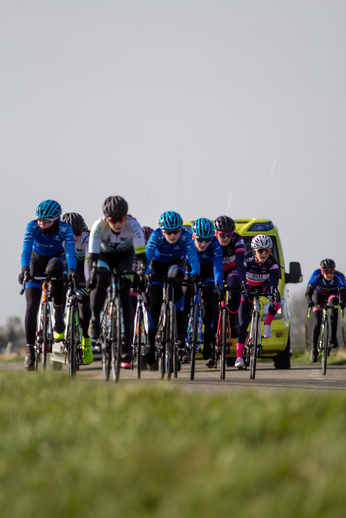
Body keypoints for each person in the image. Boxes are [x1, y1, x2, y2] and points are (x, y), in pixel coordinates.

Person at [19, 200, 77, 371]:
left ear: (56, 219)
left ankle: (58, 311)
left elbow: (70, 252)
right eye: (39, 219)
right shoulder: (33, 227)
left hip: (55, 259)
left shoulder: (65, 229)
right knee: (31, 306)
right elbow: (26, 249)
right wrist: (24, 269)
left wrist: (72, 269)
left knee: (55, 270)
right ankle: (30, 351)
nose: (41, 223)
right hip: (35, 261)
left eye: (45, 220)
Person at [87, 196, 146, 364]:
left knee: (126, 298)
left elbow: (141, 256)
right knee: (99, 283)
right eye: (113, 220)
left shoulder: (133, 226)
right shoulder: (99, 226)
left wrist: (141, 273)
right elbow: (92, 257)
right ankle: (95, 319)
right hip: (104, 257)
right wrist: (92, 275)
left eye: (121, 219)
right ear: (106, 218)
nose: (118, 224)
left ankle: (127, 347)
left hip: (125, 258)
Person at [145, 211, 200, 366]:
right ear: (162, 231)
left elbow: (192, 255)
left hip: (176, 264)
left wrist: (195, 272)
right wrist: (147, 272)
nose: (173, 235)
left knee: (178, 282)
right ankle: (150, 342)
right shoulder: (156, 235)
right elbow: (147, 254)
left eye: (176, 231)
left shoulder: (185, 236)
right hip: (156, 265)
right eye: (169, 232)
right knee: (154, 301)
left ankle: (180, 327)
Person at [235, 234, 281, 369]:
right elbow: (241, 273)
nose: (263, 254)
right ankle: (239, 357)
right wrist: (243, 284)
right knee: (243, 323)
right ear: (254, 250)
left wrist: (274, 293)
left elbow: (273, 283)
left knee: (276, 302)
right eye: (260, 250)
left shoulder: (272, 263)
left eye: (266, 251)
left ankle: (267, 325)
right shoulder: (247, 259)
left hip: (264, 285)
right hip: (248, 286)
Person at [184, 218, 223, 367]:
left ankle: (208, 346)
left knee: (209, 306)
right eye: (200, 240)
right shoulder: (186, 239)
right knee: (185, 294)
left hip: (207, 270)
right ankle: (182, 336)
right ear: (193, 236)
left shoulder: (215, 243)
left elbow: (218, 266)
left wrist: (218, 284)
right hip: (189, 267)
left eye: (206, 240)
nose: (203, 244)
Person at [61, 212, 93, 365]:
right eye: (70, 232)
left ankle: (87, 344)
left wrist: (88, 282)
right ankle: (58, 328)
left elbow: (89, 263)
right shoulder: (59, 240)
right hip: (65, 271)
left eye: (77, 232)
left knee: (83, 306)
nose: (74, 236)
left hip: (82, 273)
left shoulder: (87, 240)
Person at [305, 259, 346, 362]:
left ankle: (333, 337)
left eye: (331, 272)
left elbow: (343, 293)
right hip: (318, 295)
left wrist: (343, 302)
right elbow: (308, 293)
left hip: (332, 294)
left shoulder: (339, 277)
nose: (329, 275)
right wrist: (309, 301)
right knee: (317, 321)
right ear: (321, 271)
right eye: (326, 272)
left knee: (334, 305)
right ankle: (314, 348)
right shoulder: (316, 275)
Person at [214, 215, 246, 337]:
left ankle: (233, 320)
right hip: (216, 270)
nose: (226, 238)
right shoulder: (212, 240)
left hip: (232, 269)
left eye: (229, 234)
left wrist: (243, 281)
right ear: (216, 233)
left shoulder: (237, 239)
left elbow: (240, 263)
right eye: (223, 235)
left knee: (235, 285)